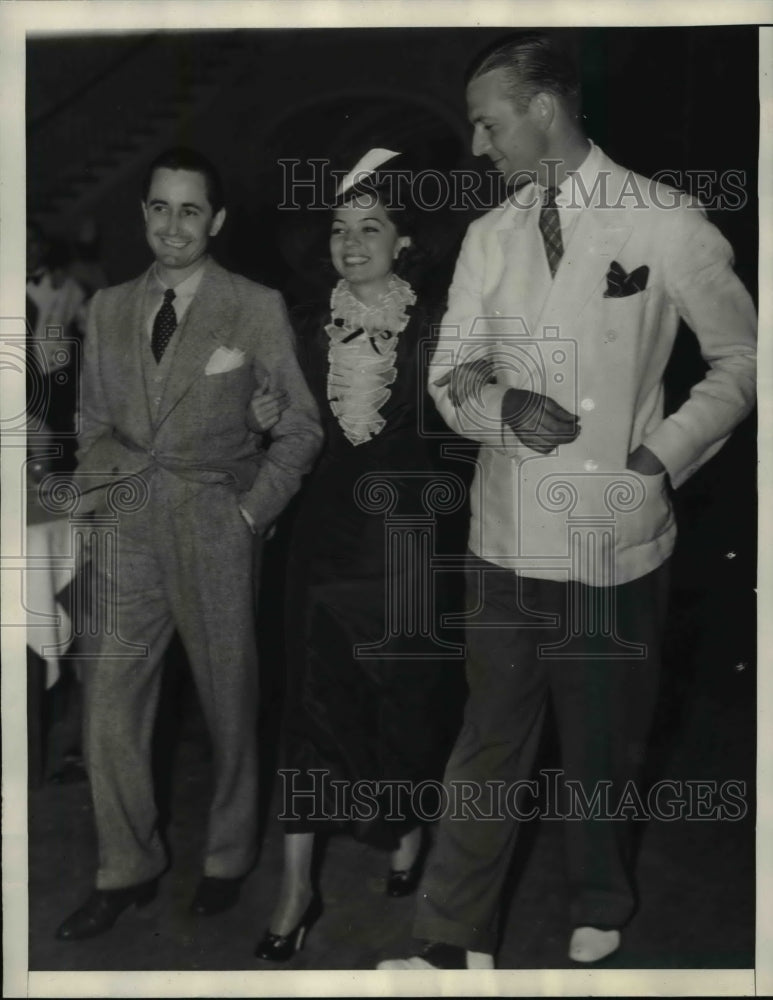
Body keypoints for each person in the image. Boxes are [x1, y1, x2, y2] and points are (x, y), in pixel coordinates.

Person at [378, 32, 757, 970]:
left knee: (602, 743)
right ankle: (449, 938)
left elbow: (744, 359)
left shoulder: (663, 219)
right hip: (505, 533)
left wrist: (661, 454)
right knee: (486, 740)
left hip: (614, 533)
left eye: (488, 122)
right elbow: (448, 374)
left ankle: (600, 895)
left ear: (544, 108)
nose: (477, 145)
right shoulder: (487, 234)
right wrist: (505, 406)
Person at [55, 146, 323, 941]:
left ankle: (228, 857)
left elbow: (302, 426)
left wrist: (252, 512)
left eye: (191, 210)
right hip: (127, 527)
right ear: (142, 214)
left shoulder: (254, 306)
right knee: (106, 705)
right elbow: (92, 423)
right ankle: (124, 866)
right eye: (160, 208)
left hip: (216, 523)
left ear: (218, 220)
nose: (174, 226)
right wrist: (95, 502)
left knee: (228, 704)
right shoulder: (103, 308)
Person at [251, 149, 464, 962]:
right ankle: (295, 886)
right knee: (309, 701)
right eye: (340, 228)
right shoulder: (305, 323)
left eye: (369, 226)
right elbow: (291, 422)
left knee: (405, 697)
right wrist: (269, 410)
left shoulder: (437, 322)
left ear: (402, 239)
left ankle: (408, 824)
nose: (350, 242)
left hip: (409, 537)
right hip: (326, 539)